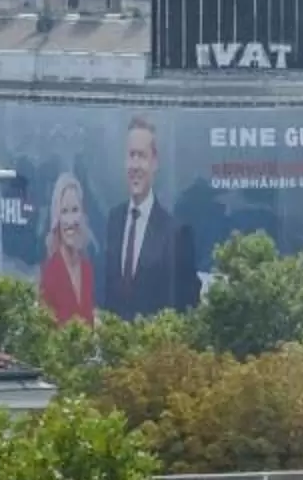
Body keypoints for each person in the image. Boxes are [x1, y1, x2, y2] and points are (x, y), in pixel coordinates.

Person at [100, 116, 196, 321]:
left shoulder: (175, 233)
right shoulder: (114, 221)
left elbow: (186, 306)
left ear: (154, 162)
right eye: (131, 155)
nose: (135, 165)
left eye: (141, 156)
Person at [37, 172, 95, 327]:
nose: (70, 221)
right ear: (57, 219)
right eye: (64, 212)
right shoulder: (49, 272)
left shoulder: (87, 269)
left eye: (75, 210)